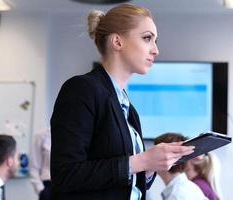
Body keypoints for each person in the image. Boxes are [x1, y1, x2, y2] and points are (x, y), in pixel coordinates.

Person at [50, 3, 194, 200]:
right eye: (147, 38)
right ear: (117, 42)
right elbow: (65, 175)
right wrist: (141, 161)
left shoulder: (127, 107)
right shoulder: (81, 89)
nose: (155, 50)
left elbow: (128, 181)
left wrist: (151, 166)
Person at [154, 133, 207, 200]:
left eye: (154, 152)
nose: (151, 156)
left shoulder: (177, 195)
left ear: (167, 158)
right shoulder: (188, 187)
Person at [29, 128, 51, 200]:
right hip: (48, 187)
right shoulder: (42, 136)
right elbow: (33, 166)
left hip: (72, 187)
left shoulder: (78, 135)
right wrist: (41, 190)